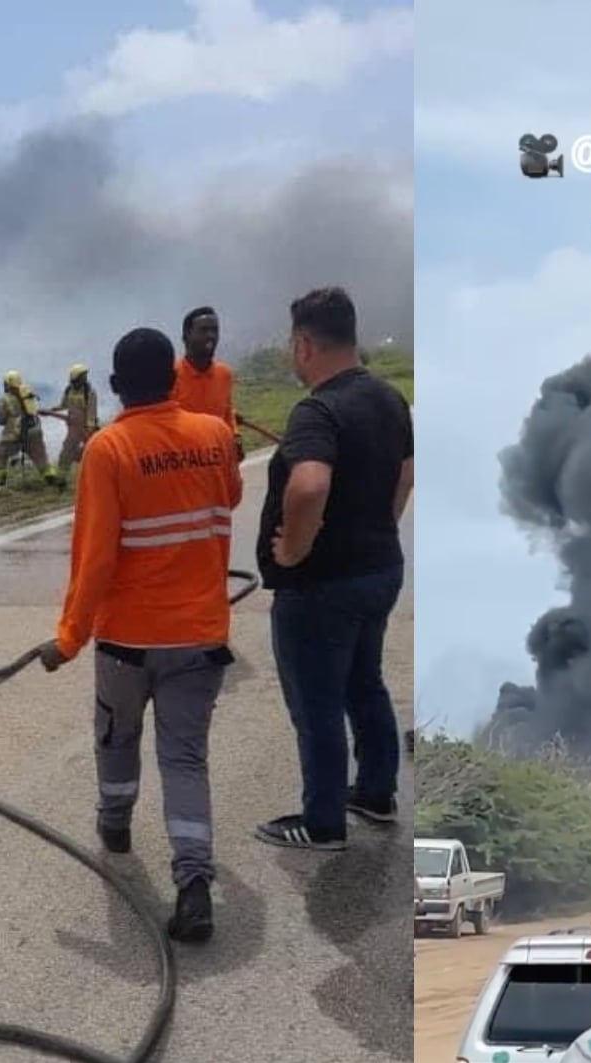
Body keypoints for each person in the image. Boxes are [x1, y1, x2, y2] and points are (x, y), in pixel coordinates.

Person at [37, 326, 243, 945]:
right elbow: (230, 494)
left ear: (117, 386)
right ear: (176, 380)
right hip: (200, 637)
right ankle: (195, 884)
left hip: (127, 642)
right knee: (184, 761)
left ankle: (116, 825)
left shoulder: (109, 449)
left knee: (117, 737)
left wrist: (69, 639)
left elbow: (94, 560)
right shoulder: (213, 436)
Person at [252, 286, 413, 851]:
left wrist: (296, 548)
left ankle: (322, 824)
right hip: (379, 570)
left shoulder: (317, 410)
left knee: (316, 703)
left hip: (322, 586)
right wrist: (377, 527)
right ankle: (375, 792)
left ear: (303, 345)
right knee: (364, 684)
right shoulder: (389, 398)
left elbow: (310, 482)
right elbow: (406, 475)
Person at [172, 306, 239, 455]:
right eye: (203, 330)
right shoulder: (170, 376)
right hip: (185, 461)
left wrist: (235, 437)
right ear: (186, 337)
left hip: (219, 459)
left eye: (214, 330)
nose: (211, 335)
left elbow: (227, 414)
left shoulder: (224, 374)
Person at [0, 370, 57, 487]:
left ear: (8, 384)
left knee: (0, 455)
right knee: (41, 458)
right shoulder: (27, 393)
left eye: (5, 383)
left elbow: (1, 420)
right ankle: (49, 475)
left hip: (15, 434)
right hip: (35, 431)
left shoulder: (5, 399)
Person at [55, 362, 100, 482]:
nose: (84, 379)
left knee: (93, 453)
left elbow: (92, 412)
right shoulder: (69, 390)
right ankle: (60, 479)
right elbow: (63, 405)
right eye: (82, 377)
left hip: (87, 429)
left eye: (84, 376)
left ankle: (96, 477)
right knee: (66, 453)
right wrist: (52, 410)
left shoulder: (89, 392)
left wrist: (90, 431)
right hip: (73, 428)